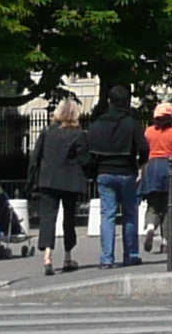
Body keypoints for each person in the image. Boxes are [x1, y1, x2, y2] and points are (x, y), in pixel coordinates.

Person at [81, 92, 147, 266]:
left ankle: (107, 257)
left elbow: (87, 152)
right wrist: (140, 165)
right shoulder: (132, 123)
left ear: (109, 102)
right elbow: (144, 148)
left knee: (107, 215)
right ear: (127, 102)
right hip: (127, 171)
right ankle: (131, 254)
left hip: (104, 171)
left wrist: (94, 170)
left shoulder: (96, 125)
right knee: (130, 215)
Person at [28, 101, 92, 274]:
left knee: (48, 218)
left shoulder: (47, 132)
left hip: (47, 180)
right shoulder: (78, 134)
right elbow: (85, 160)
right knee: (69, 220)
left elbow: (36, 156)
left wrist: (32, 180)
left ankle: (47, 256)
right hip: (70, 182)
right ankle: (67, 257)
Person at [139, 102, 172, 255]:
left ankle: (150, 227)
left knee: (152, 204)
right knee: (170, 206)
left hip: (151, 167)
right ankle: (166, 242)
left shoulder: (148, 132)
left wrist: (140, 173)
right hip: (169, 167)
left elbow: (143, 154)